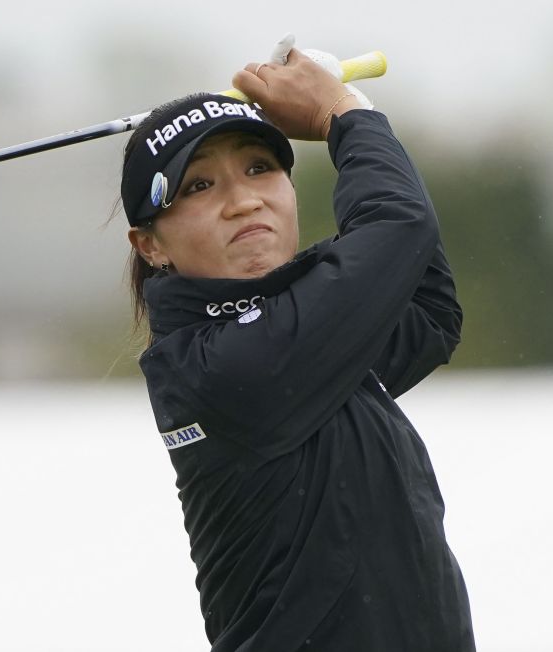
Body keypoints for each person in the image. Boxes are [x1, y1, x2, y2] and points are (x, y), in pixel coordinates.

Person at [119, 47, 474, 651]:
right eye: (200, 184)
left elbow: (428, 308)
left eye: (259, 168)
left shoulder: (298, 338)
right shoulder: (226, 365)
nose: (243, 200)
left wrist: (349, 115)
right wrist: (343, 111)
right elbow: (397, 228)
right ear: (151, 245)